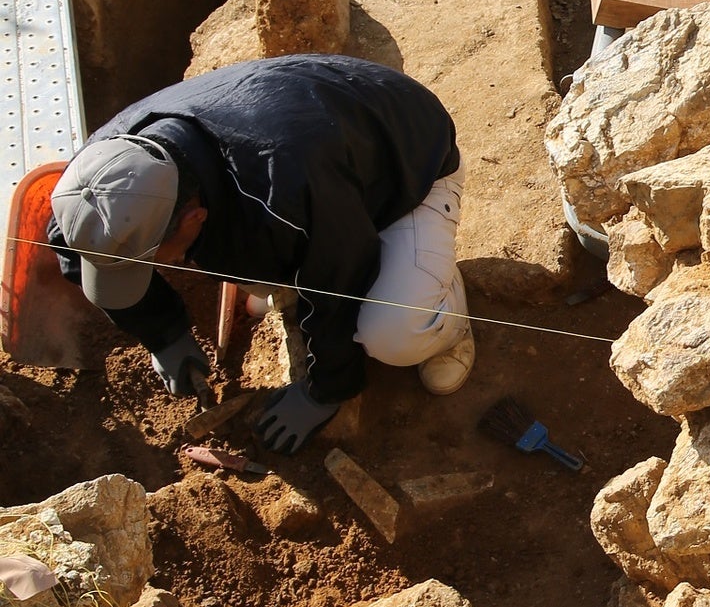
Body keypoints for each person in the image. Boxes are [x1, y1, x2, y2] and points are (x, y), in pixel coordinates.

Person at [46, 56, 475, 455]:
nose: (160, 268)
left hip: (408, 162)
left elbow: (339, 278)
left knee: (391, 334)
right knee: (258, 268)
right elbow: (70, 246)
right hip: (325, 148)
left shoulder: (284, 190)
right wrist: (163, 334)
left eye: (156, 257)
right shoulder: (101, 176)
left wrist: (323, 390)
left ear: (193, 217)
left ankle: (446, 312)